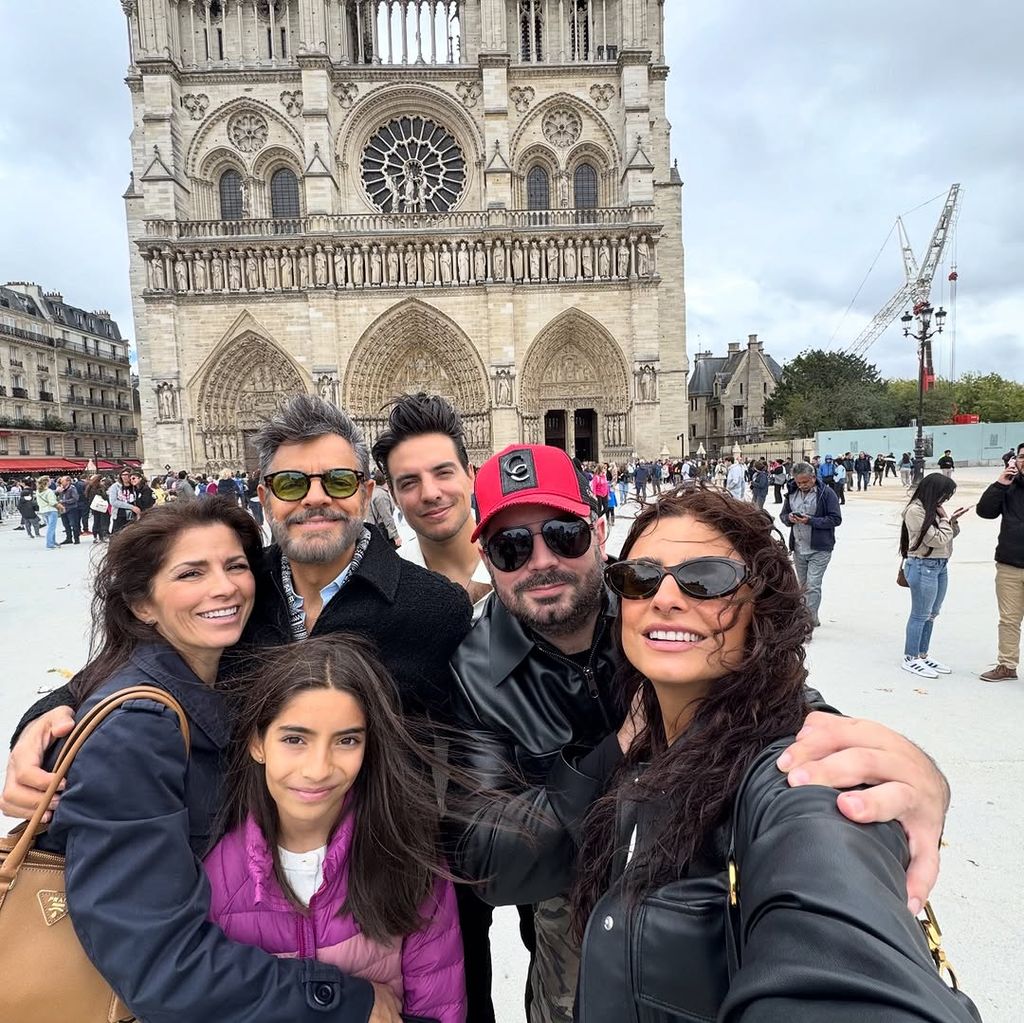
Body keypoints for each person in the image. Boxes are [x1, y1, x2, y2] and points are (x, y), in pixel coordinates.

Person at [448, 448, 951, 1023]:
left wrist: (867, 761)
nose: (666, 599)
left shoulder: (648, 598)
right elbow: (487, 860)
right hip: (576, 942)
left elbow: (775, 725)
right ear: (485, 557)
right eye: (511, 547)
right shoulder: (475, 668)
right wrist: (618, 750)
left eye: (563, 535)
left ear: (597, 528)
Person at [568, 490, 977, 1022]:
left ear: (763, 605)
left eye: (708, 578)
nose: (665, 597)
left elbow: (844, 961)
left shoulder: (800, 775)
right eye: (640, 577)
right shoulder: (649, 733)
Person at [31, 499, 399, 1022]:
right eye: (190, 573)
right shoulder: (138, 728)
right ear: (142, 605)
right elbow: (159, 961)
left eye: (236, 566)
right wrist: (338, 999)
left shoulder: (206, 685)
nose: (223, 588)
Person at [205, 635, 466, 1023]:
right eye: (295, 739)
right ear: (257, 743)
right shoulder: (210, 874)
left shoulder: (407, 855)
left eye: (346, 740)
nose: (318, 769)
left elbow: (439, 1008)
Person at [371, 392, 492, 605]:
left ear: (471, 475)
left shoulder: (527, 563)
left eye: (443, 473)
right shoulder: (383, 592)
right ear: (394, 496)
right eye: (409, 483)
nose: (430, 493)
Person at [900, 474, 971, 679]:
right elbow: (937, 539)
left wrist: (952, 521)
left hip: (940, 565)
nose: (945, 500)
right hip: (923, 566)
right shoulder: (915, 510)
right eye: (944, 495)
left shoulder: (934, 509)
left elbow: (947, 537)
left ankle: (922, 654)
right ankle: (910, 657)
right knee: (920, 614)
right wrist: (947, 520)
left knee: (932, 613)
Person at [976, 443, 1024, 681]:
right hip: (1009, 565)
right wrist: (999, 484)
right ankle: (1007, 665)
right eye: (1023, 457)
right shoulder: (1008, 487)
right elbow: (984, 512)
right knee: (1009, 619)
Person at [780, 461, 841, 629]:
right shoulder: (791, 493)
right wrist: (789, 519)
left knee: (813, 585)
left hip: (820, 548)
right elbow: (783, 515)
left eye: (805, 482)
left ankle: (807, 622)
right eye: (799, 482)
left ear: (813, 477)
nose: (802, 485)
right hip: (799, 547)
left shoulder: (826, 493)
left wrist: (811, 521)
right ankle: (811, 615)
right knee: (803, 586)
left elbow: (836, 519)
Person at [366, 470, 402, 548]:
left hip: (378, 529)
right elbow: (387, 517)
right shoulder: (381, 495)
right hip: (384, 530)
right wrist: (395, 536)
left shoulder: (374, 492)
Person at [36, 475, 61, 549]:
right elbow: (52, 502)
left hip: (43, 510)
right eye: (49, 480)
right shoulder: (49, 491)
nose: (51, 481)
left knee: (50, 527)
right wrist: (59, 505)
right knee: (52, 527)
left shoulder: (38, 491)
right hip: (51, 510)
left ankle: (52, 541)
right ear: (46, 482)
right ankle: (50, 543)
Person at [56, 475, 82, 545]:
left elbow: (75, 498)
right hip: (63, 508)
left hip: (72, 508)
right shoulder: (60, 488)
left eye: (63, 481)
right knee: (66, 524)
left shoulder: (72, 488)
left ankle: (76, 538)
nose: (61, 482)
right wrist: (57, 492)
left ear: (68, 481)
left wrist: (64, 501)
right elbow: (56, 497)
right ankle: (68, 538)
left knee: (74, 524)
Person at [87, 476, 111, 544]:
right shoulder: (100, 489)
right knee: (103, 521)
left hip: (95, 507)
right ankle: (102, 535)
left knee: (96, 521)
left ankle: (96, 536)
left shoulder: (90, 487)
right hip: (101, 507)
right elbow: (105, 497)